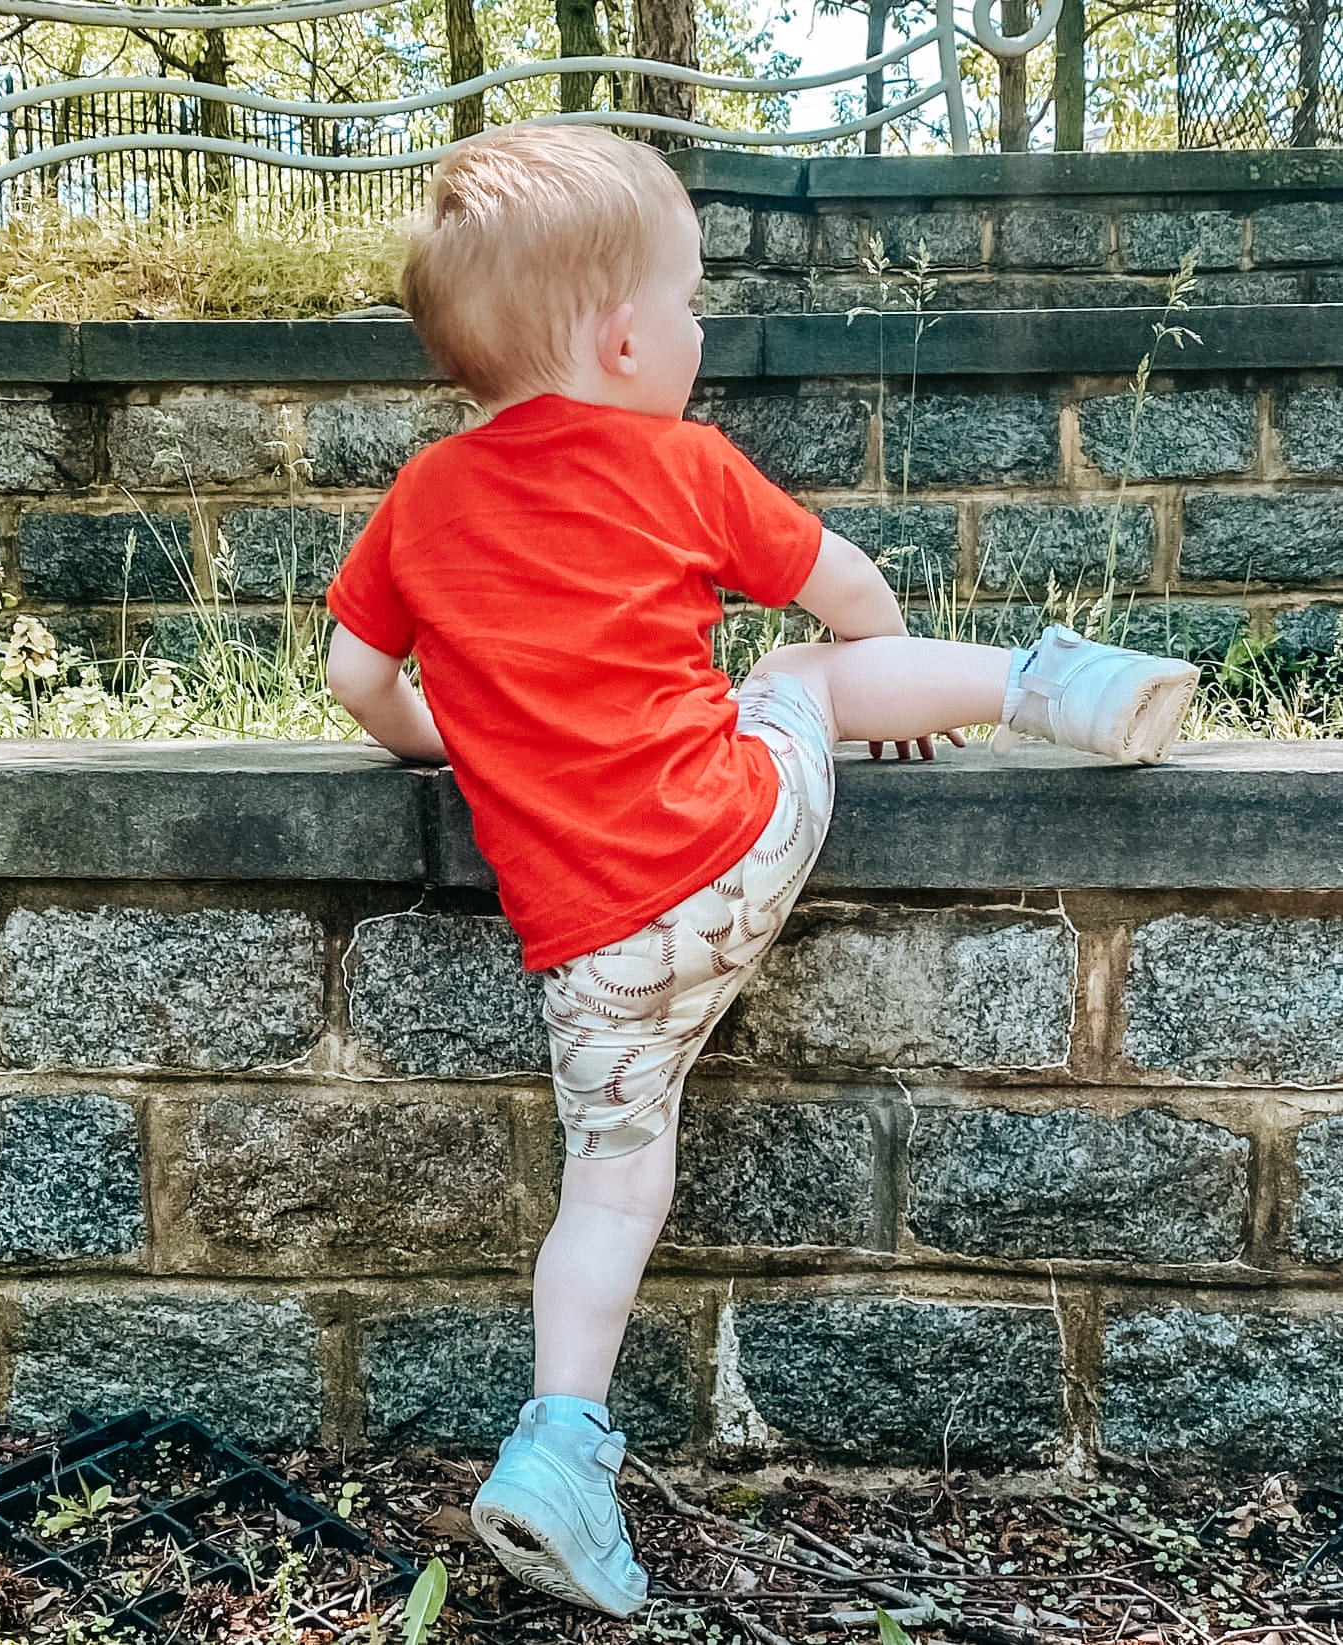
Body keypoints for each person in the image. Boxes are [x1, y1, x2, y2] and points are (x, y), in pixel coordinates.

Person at [323, 122, 1200, 1619]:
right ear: (621, 340)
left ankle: (558, 1444)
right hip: (732, 843)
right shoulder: (681, 463)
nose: (699, 332)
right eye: (688, 305)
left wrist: (447, 742)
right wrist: (879, 689)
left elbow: (358, 678)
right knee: (793, 668)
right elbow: (848, 595)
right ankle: (1053, 681)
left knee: (609, 1190)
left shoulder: (423, 500)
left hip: (592, 949)